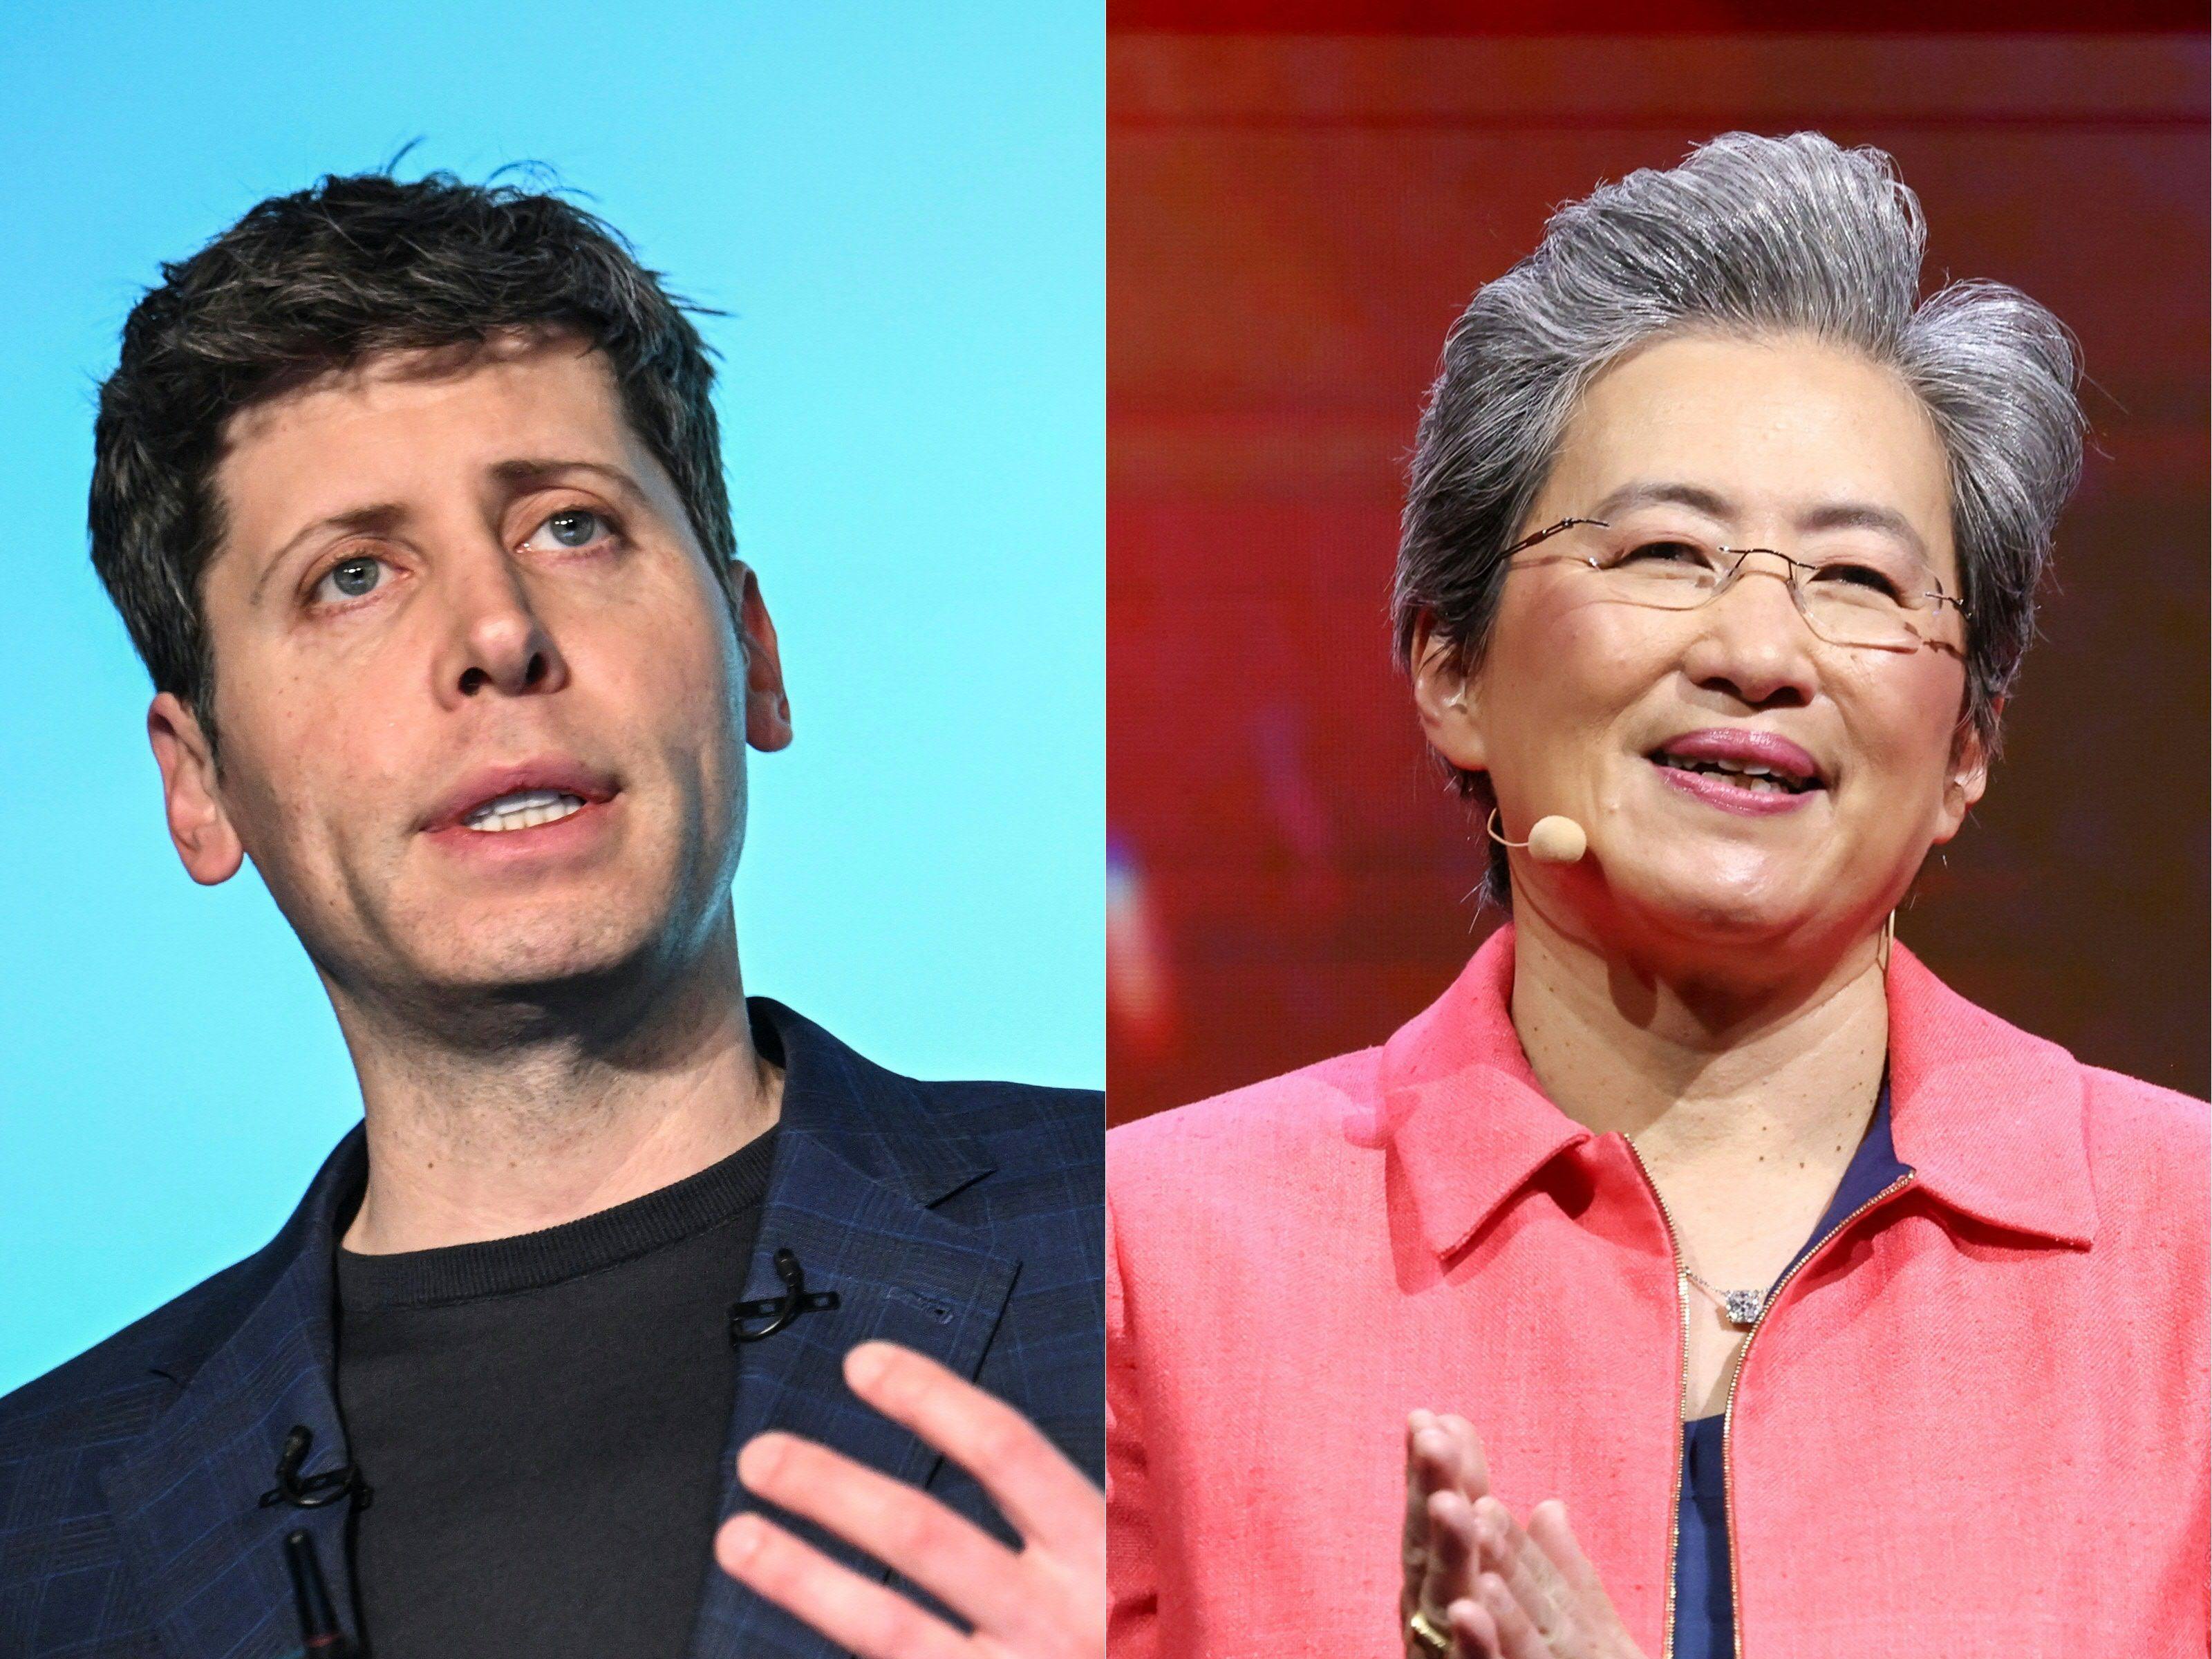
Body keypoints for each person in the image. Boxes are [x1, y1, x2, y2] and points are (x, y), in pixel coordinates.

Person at [1105, 133, 2206, 1658]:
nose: (1759, 646)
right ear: (1452, 672)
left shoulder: (2188, 1260)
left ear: (1966, 749)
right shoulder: (1148, 1256)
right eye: (1668, 551)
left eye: (1861, 581)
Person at [0, 171, 1103, 1659]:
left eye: (572, 527)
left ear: (752, 654)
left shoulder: (1163, 1247)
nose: (499, 635)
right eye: (350, 576)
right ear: (199, 783)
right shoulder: (37, 1528)